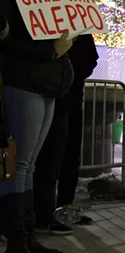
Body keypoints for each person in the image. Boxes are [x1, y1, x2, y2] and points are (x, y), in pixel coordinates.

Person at [0, 0, 74, 252]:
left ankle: (28, 236)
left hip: (45, 87)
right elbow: (8, 43)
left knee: (29, 164)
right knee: (18, 164)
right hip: (22, 84)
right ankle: (18, 239)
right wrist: (49, 51)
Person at [32, 34, 98, 235]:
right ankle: (42, 211)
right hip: (50, 92)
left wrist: (73, 74)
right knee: (46, 159)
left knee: (69, 155)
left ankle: (64, 206)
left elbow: (91, 58)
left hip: (71, 96)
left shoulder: (80, 30)